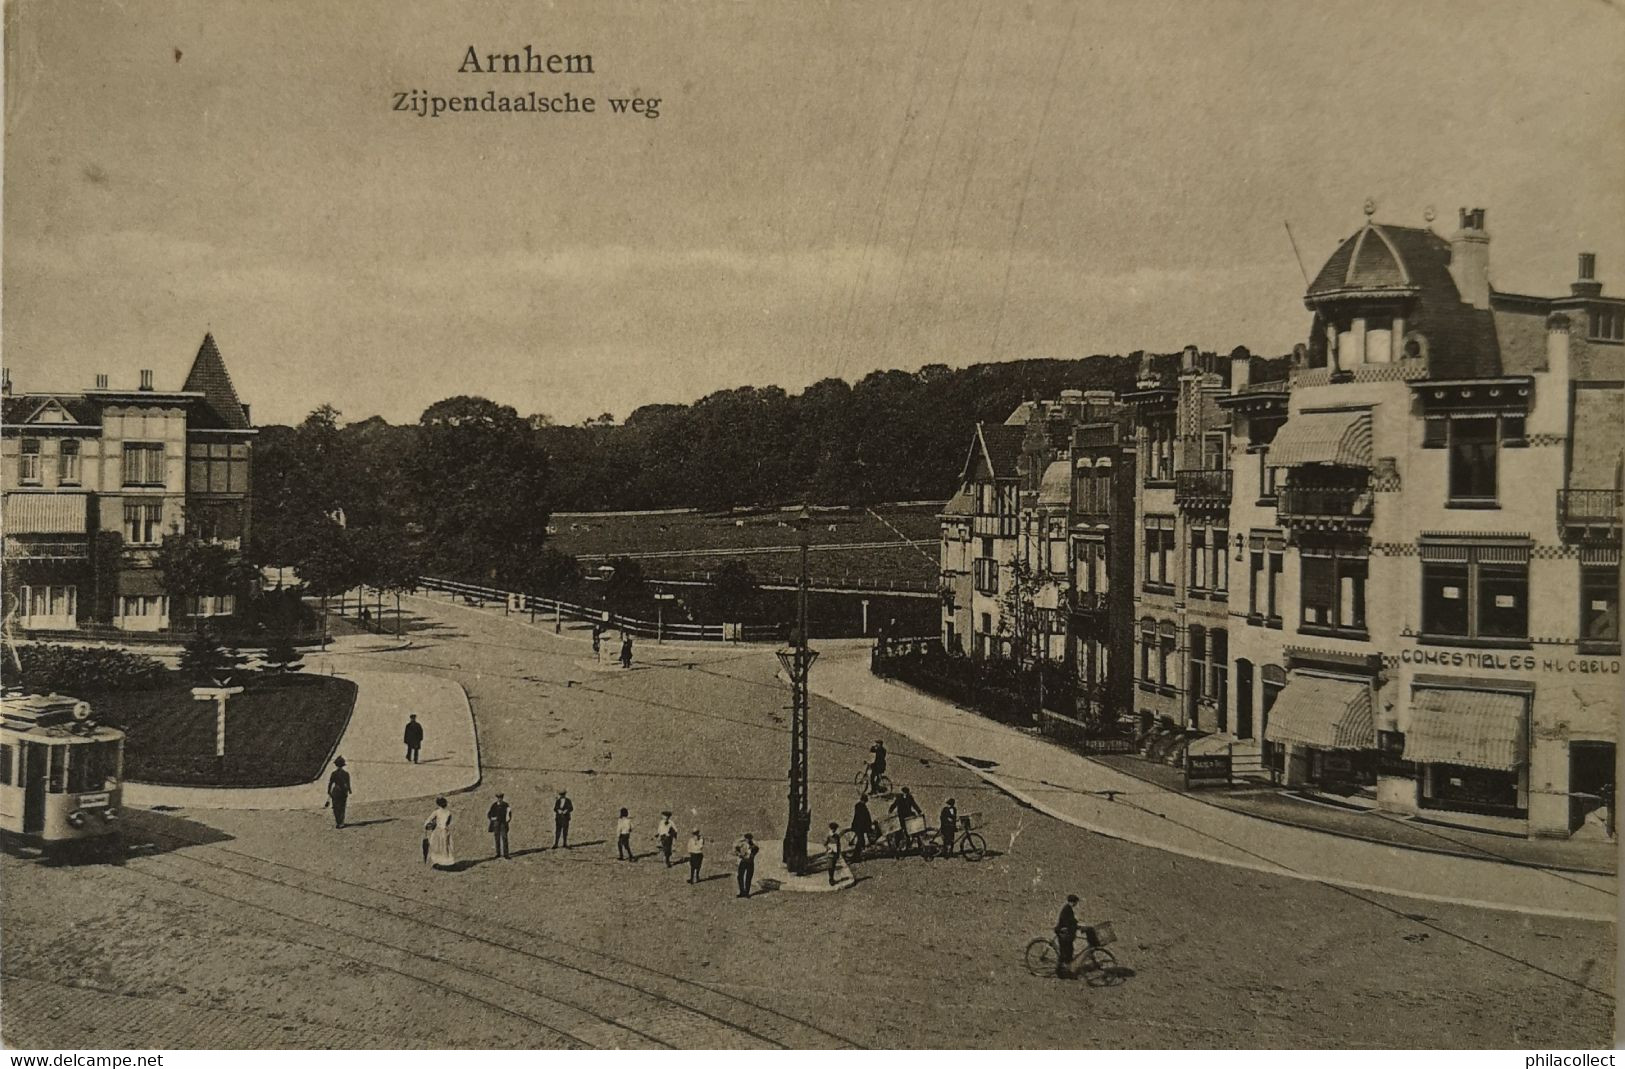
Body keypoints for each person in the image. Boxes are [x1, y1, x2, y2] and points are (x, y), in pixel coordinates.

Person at [1054, 894, 1081, 979]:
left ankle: (1067, 970)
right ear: (1072, 902)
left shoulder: (1068, 909)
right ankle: (1060, 973)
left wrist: (1076, 924)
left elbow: (1072, 920)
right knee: (1064, 953)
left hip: (1066, 933)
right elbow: (1067, 922)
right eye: (1076, 902)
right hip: (1063, 933)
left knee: (1069, 951)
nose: (1076, 904)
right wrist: (1075, 925)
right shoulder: (1066, 909)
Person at [425, 797, 455, 869]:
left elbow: (428, 820)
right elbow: (448, 823)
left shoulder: (436, 812)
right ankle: (447, 861)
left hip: (437, 831)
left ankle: (438, 861)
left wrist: (431, 824)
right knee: (445, 846)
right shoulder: (448, 812)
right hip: (445, 831)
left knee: (437, 846)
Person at [888, 787, 919, 855]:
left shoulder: (906, 797)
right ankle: (899, 845)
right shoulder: (902, 797)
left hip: (906, 817)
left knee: (906, 831)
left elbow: (914, 804)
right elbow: (895, 804)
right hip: (902, 817)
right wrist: (890, 810)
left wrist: (918, 811)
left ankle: (905, 845)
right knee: (901, 831)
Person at [325, 756, 352, 828]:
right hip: (343, 791)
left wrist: (329, 791)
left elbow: (330, 783)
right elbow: (348, 783)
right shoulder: (346, 773)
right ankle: (341, 822)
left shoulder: (334, 773)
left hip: (336, 791)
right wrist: (349, 790)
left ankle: (338, 822)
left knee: (336, 807)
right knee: (342, 807)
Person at [487, 793, 512, 859]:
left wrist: (508, 820)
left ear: (502, 798)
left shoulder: (505, 805)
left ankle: (506, 854)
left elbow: (509, 814)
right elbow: (489, 814)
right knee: (497, 838)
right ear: (497, 798)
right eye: (498, 798)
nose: (499, 799)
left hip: (503, 824)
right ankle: (498, 853)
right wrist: (492, 818)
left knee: (504, 838)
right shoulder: (494, 805)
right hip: (496, 824)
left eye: (501, 798)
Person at [733, 833, 759, 897]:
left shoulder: (754, 846)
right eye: (746, 839)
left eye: (748, 839)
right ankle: (742, 892)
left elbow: (755, 850)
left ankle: (746, 892)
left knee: (748, 877)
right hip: (744, 861)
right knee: (740, 876)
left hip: (749, 862)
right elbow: (735, 848)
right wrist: (739, 854)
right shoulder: (742, 844)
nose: (747, 840)